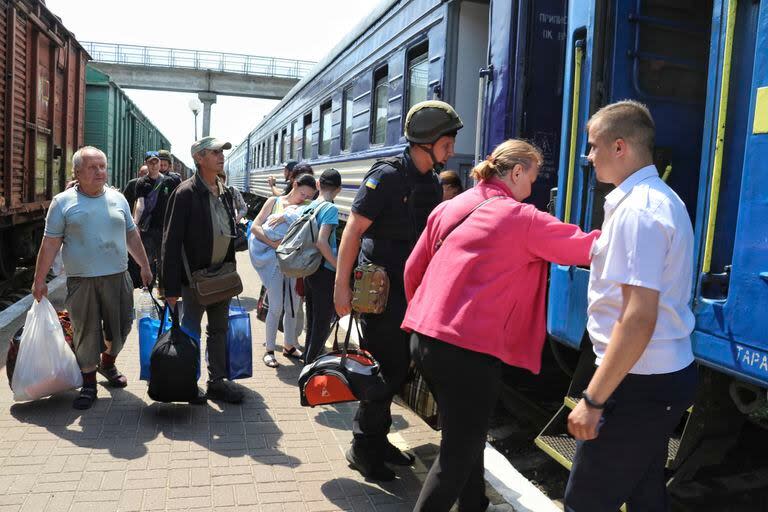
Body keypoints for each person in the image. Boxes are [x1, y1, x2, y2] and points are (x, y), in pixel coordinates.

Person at [402, 139, 600, 511]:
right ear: (517, 171)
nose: (533, 188)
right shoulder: (520, 218)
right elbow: (584, 247)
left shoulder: (452, 206)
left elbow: (413, 269)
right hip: (469, 352)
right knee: (456, 455)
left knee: (464, 436)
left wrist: (425, 317)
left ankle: (474, 504)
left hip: (425, 339)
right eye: (533, 177)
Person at [564, 101, 697, 511]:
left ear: (619, 147)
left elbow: (638, 317)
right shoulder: (657, 199)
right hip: (656, 376)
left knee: (584, 501)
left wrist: (594, 399)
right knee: (644, 493)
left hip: (638, 382)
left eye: (593, 147)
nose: (588, 158)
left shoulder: (639, 211)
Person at [334, 100, 461, 481]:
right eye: (447, 142)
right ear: (426, 141)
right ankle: (362, 447)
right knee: (382, 370)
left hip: (411, 293)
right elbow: (353, 232)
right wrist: (341, 288)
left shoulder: (429, 180)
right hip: (380, 293)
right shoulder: (386, 177)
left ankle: (379, 439)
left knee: (397, 369)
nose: (452, 150)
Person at [31, 147, 152, 410]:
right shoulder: (62, 202)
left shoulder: (118, 198)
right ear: (77, 172)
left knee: (122, 327)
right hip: (81, 280)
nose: (99, 172)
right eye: (92, 167)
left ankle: (107, 363)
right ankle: (88, 382)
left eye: (102, 166)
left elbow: (131, 235)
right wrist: (39, 279)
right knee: (86, 332)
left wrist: (144, 264)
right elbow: (50, 243)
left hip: (118, 277)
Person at [161, 136, 244, 404]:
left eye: (222, 152)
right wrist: (170, 288)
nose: (221, 156)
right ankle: (188, 381)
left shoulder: (226, 191)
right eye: (214, 152)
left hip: (222, 277)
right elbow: (170, 242)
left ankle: (217, 381)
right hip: (194, 280)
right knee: (190, 331)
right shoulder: (185, 193)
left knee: (219, 330)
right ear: (199, 158)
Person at [250, 173, 316, 368]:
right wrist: (274, 244)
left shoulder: (305, 207)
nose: (305, 199)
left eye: (309, 196)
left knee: (293, 306)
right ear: (294, 185)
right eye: (303, 194)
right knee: (277, 305)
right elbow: (255, 227)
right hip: (273, 261)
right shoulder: (274, 201)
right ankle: (269, 350)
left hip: (294, 263)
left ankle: (289, 345)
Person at [302, 168, 342, 364]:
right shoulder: (330, 208)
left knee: (312, 321)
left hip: (309, 270)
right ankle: (309, 371)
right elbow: (322, 241)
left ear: (318, 185)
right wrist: (339, 268)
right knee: (322, 325)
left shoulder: (308, 206)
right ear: (339, 189)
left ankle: (306, 360)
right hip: (324, 272)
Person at [134, 152, 174, 285]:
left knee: (164, 260)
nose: (154, 164)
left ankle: (163, 289)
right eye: (151, 162)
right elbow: (140, 204)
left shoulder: (169, 181)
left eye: (156, 161)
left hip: (165, 227)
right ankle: (148, 288)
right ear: (146, 164)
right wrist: (135, 223)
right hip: (148, 228)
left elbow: (175, 203)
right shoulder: (142, 182)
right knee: (148, 260)